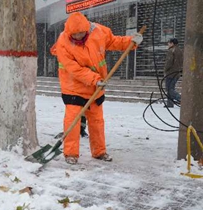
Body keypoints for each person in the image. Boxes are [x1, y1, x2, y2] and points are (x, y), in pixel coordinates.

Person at [54, 12, 143, 165]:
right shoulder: (63, 42)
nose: (79, 37)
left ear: (87, 28)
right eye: (75, 35)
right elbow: (73, 68)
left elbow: (114, 41)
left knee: (96, 121)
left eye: (81, 33)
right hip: (73, 87)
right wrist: (94, 79)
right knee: (72, 122)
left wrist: (131, 42)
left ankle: (99, 152)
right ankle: (71, 153)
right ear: (69, 32)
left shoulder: (99, 32)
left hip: (96, 88)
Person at [50, 43, 88, 139]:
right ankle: (72, 130)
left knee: (83, 108)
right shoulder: (64, 46)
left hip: (81, 83)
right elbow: (54, 50)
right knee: (73, 111)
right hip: (69, 85)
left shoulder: (81, 48)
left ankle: (81, 128)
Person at [163, 38, 183, 108]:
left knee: (169, 89)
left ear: (172, 43)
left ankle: (181, 99)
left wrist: (165, 70)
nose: (168, 44)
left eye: (169, 43)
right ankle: (170, 103)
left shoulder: (171, 51)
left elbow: (169, 62)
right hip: (177, 73)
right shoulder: (180, 51)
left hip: (170, 72)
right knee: (171, 88)